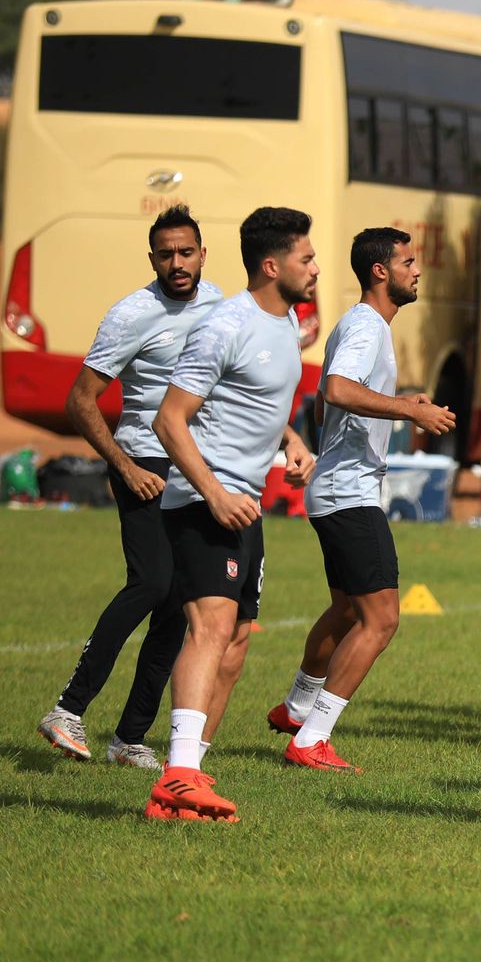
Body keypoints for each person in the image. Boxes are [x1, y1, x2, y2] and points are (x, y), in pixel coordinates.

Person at [142, 206, 317, 821]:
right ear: (272, 266)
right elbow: (171, 419)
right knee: (210, 631)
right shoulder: (226, 325)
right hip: (204, 501)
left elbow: (253, 403)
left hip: (244, 504)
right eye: (306, 258)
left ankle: (188, 776)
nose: (315, 268)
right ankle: (180, 774)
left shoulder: (286, 320)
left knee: (237, 642)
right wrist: (213, 492)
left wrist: (290, 441)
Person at [39, 206, 223, 769]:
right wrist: (123, 465)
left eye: (185, 252)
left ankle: (129, 739)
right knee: (150, 583)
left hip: (196, 469)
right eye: (165, 254)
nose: (177, 263)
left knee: (177, 606)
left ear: (201, 254)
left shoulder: (222, 306)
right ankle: (66, 710)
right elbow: (80, 400)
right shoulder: (132, 314)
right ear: (152, 259)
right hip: (143, 462)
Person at [267, 228, 455, 771]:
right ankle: (311, 739)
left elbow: (339, 402)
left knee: (349, 609)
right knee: (381, 619)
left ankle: (299, 708)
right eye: (408, 262)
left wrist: (399, 402)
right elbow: (337, 391)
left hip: (337, 488)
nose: (417, 271)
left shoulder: (365, 326)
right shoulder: (368, 327)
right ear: (381, 271)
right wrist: (411, 412)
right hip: (348, 493)